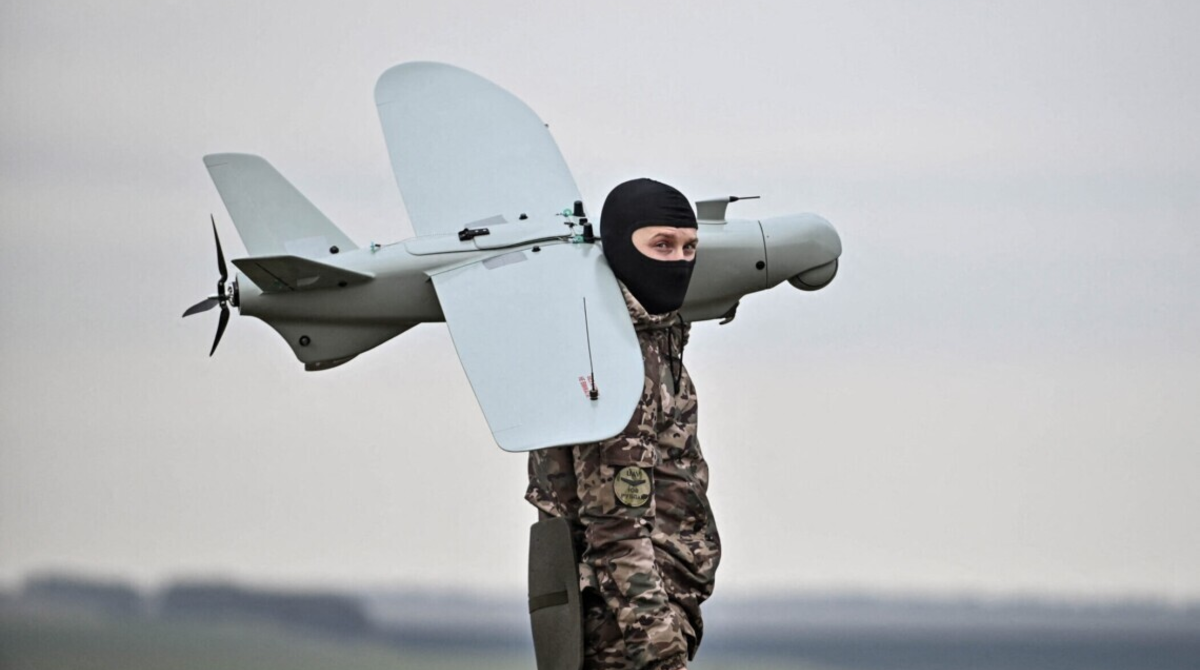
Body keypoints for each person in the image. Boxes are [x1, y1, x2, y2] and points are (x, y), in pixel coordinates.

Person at [526, 178, 721, 670]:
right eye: (662, 245)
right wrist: (663, 653)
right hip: (626, 633)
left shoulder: (649, 340)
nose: (680, 260)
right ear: (618, 248)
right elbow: (616, 531)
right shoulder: (614, 358)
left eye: (689, 247)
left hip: (642, 619)